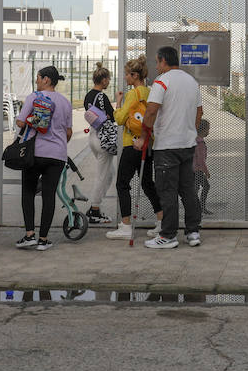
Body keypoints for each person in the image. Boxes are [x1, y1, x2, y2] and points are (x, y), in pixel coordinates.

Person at [143, 46, 203, 249]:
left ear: (162, 61)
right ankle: (193, 231)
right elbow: (199, 111)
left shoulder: (161, 82)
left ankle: (168, 235)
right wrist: (191, 131)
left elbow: (151, 112)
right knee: (187, 189)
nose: (156, 66)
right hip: (187, 144)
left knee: (167, 190)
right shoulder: (192, 82)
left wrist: (144, 136)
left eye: (157, 62)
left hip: (167, 145)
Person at [15, 65, 74, 251]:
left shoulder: (34, 97)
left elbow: (20, 122)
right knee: (49, 195)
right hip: (57, 155)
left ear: (46, 79)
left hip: (34, 153)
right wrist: (58, 144)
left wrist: (31, 121)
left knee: (28, 192)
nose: (36, 81)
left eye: (38, 78)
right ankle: (43, 239)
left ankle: (29, 235)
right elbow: (69, 132)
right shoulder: (65, 102)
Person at [107, 55, 161, 241]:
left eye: (127, 75)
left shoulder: (133, 94)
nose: (125, 78)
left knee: (122, 183)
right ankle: (161, 222)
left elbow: (120, 119)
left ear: (135, 75)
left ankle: (126, 225)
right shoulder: (150, 92)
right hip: (148, 144)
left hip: (132, 144)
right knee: (147, 183)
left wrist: (118, 103)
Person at [81, 65, 117, 225]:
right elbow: (113, 117)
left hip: (93, 137)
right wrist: (120, 101)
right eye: (108, 79)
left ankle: (96, 206)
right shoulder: (102, 97)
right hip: (104, 139)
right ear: (103, 80)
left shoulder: (88, 96)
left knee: (109, 173)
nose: (109, 81)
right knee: (103, 175)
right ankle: (94, 210)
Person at [194, 118, 211, 215]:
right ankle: (199, 208)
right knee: (204, 187)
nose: (209, 131)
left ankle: (198, 208)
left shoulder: (196, 140)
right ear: (203, 130)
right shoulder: (200, 143)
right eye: (208, 129)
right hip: (198, 170)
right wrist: (206, 171)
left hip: (194, 170)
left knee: (196, 188)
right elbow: (201, 160)